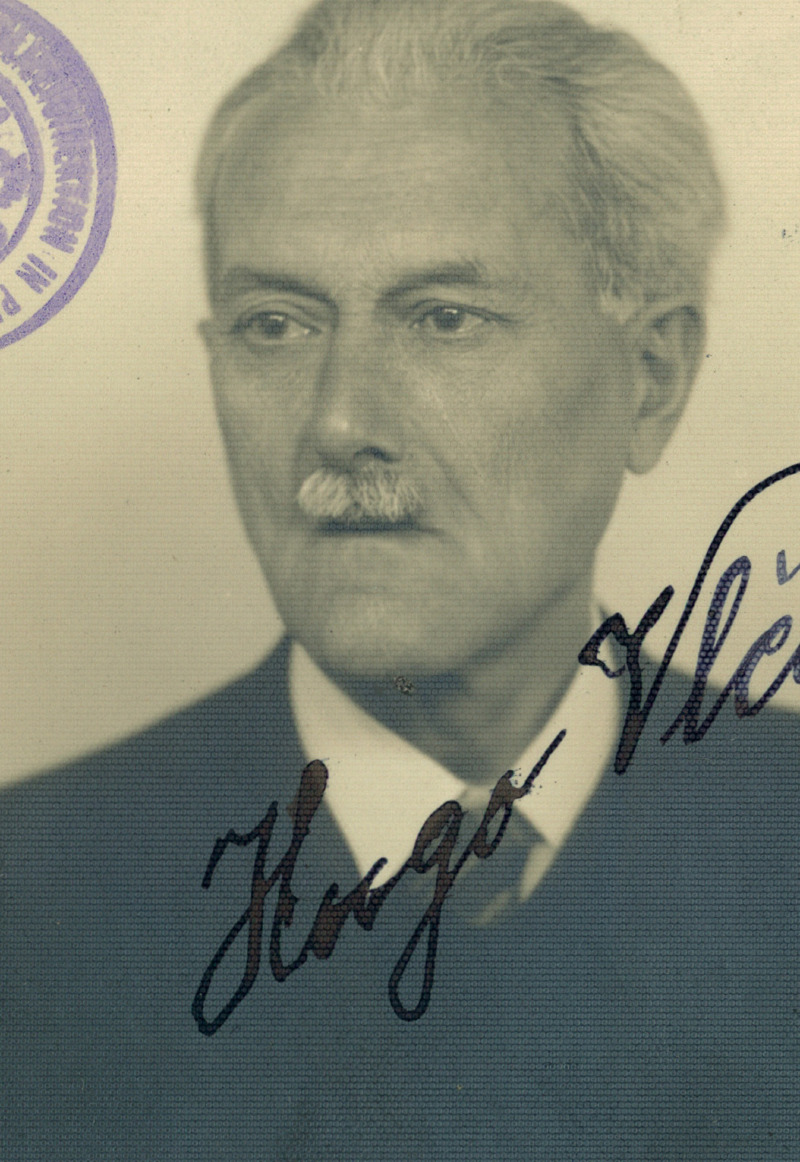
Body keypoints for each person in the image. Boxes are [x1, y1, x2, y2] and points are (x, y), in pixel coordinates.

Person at [1, 1, 796, 1158]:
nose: (338, 421)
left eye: (442, 319)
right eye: (276, 324)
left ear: (651, 376)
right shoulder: (30, 897)